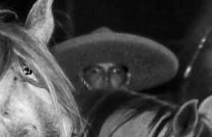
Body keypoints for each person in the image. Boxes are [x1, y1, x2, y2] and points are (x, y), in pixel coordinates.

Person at [51, 29, 180, 99]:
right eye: (95, 71)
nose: (106, 79)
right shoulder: (69, 122)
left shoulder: (140, 124)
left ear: (127, 78)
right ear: (83, 77)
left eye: (116, 72)